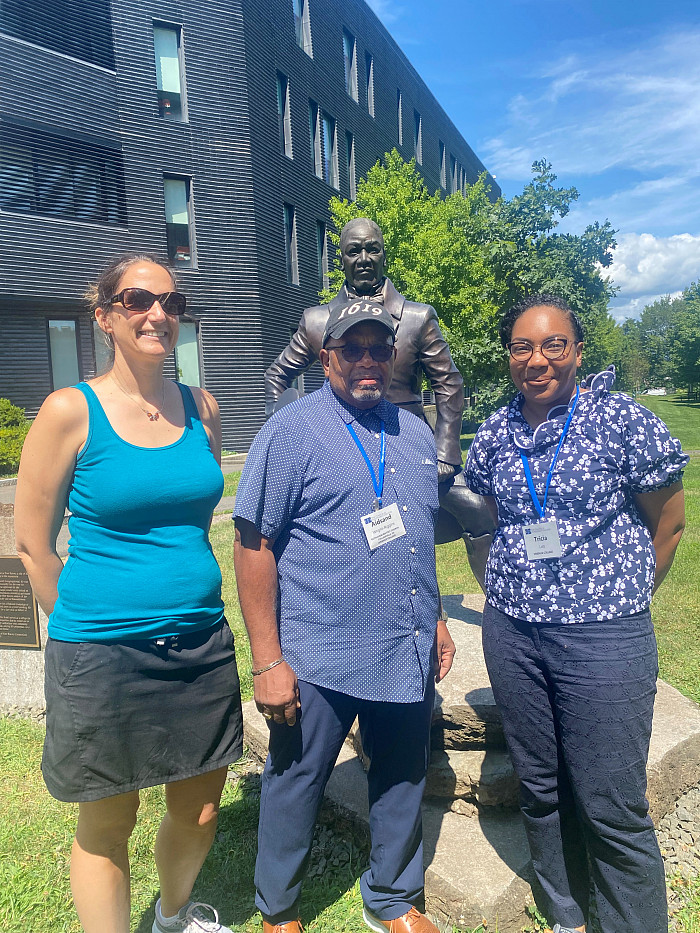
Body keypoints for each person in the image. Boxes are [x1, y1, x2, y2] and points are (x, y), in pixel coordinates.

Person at [14, 254, 243, 933]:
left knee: (200, 809)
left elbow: (193, 524)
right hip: (102, 654)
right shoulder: (68, 411)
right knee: (111, 816)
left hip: (200, 643)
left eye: (172, 303)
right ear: (106, 315)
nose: (158, 315)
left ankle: (172, 916)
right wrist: (89, 625)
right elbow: (33, 543)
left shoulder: (203, 408)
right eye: (139, 299)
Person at [464, 294, 688, 933]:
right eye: (522, 347)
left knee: (610, 801)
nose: (536, 360)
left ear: (578, 352)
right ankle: (565, 913)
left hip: (604, 636)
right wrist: (504, 588)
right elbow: (487, 524)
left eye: (553, 345)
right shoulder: (497, 429)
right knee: (540, 786)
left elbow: (668, 522)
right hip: (513, 633)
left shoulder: (621, 421)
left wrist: (623, 596)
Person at [234, 298, 456, 933]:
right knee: (295, 781)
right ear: (326, 356)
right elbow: (254, 545)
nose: (367, 360)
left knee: (401, 776)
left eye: (379, 349)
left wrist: (434, 618)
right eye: (352, 349)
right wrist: (269, 660)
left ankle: (393, 897)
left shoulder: (412, 433)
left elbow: (413, 539)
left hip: (402, 647)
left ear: (393, 357)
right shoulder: (290, 431)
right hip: (320, 652)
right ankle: (278, 908)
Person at [265, 216, 495, 587]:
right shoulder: (317, 321)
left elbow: (449, 384)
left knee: (479, 510)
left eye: (372, 248)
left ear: (385, 254)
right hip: (344, 448)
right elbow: (277, 376)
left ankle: (501, 607)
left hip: (410, 447)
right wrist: (291, 435)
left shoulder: (418, 318)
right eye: (353, 250)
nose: (364, 258)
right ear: (340, 258)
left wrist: (445, 450)